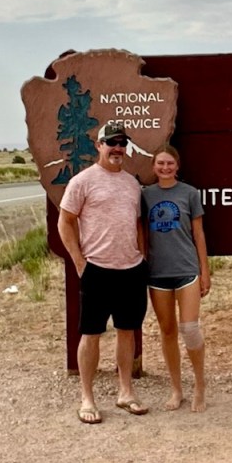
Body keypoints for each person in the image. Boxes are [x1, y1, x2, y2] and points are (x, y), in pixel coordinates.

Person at [58, 122, 149, 424]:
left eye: (122, 143)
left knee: (127, 330)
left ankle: (126, 391)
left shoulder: (132, 184)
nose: (117, 148)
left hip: (131, 269)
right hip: (97, 269)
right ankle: (87, 397)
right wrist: (79, 262)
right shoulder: (83, 181)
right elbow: (65, 221)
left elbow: (137, 223)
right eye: (111, 143)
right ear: (99, 146)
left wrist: (142, 256)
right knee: (91, 333)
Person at [142, 145, 210, 412]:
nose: (165, 168)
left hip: (186, 269)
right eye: (160, 163)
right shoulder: (146, 195)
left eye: (170, 163)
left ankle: (200, 386)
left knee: (190, 329)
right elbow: (141, 232)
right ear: (154, 167)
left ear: (177, 166)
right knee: (167, 331)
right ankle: (176, 389)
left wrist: (205, 270)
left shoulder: (189, 193)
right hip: (158, 272)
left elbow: (198, 234)